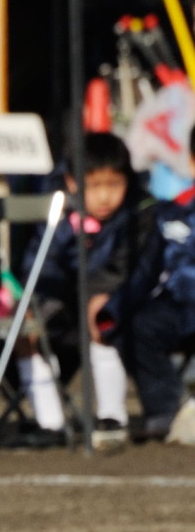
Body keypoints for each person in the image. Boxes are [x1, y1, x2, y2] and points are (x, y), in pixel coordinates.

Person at [17, 131, 152, 450]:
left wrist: (101, 297)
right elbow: (40, 264)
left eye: (114, 185)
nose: (104, 197)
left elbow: (128, 268)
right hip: (61, 300)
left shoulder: (137, 215)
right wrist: (37, 303)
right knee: (26, 331)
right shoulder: (55, 214)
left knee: (101, 319)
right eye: (94, 186)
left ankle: (111, 417)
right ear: (73, 182)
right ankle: (49, 422)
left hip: (115, 302)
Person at [100, 124, 195, 442]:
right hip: (180, 307)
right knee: (136, 324)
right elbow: (145, 271)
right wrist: (111, 308)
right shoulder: (168, 214)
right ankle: (168, 411)